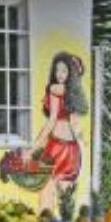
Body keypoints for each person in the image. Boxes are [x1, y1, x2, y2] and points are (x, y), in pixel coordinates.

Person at [22, 52, 88, 211]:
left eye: (64, 71)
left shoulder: (55, 89)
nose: (59, 74)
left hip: (57, 148)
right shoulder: (76, 94)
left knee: (47, 193)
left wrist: (32, 149)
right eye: (57, 70)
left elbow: (51, 122)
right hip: (72, 149)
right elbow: (76, 126)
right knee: (65, 199)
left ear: (71, 72)